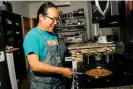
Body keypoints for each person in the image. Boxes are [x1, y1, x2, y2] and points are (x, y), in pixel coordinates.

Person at [23, 1, 74, 89]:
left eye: (57, 19)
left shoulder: (53, 34)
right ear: (41, 17)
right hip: (43, 86)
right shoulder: (32, 36)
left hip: (59, 83)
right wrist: (62, 71)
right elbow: (35, 65)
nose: (55, 22)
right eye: (52, 19)